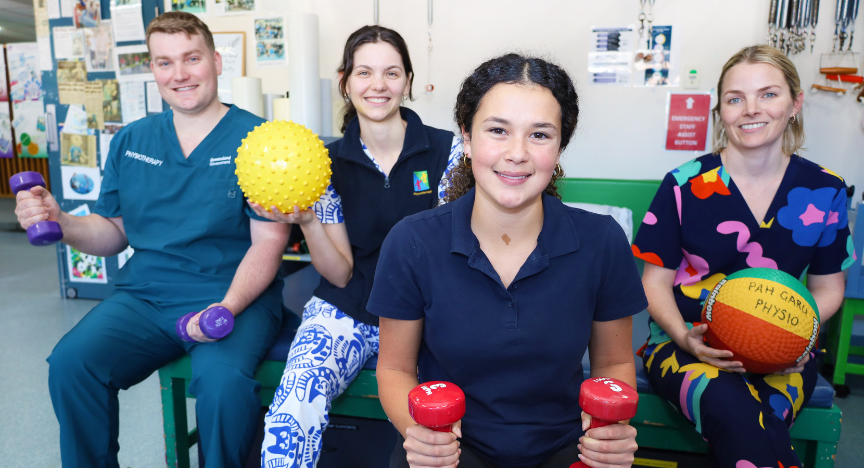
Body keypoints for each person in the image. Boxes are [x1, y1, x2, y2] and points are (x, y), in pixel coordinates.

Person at [14, 12, 289, 468]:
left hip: (234, 296)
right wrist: (61, 219)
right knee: (71, 364)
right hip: (146, 296)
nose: (179, 74)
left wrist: (226, 309)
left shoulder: (260, 140)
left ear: (217, 62)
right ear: (154, 70)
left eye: (191, 58)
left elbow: (268, 243)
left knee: (223, 389)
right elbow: (113, 231)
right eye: (164, 63)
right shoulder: (131, 140)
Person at [368, 53, 645, 468]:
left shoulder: (602, 241)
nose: (517, 153)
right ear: (466, 137)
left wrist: (609, 434)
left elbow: (615, 362)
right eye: (498, 130)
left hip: (566, 446)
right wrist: (421, 436)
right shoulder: (412, 242)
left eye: (539, 135)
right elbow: (393, 368)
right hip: (450, 449)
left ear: (560, 146)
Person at [632, 45, 851, 468]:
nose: (751, 109)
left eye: (768, 94)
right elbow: (654, 282)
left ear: (795, 103)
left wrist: (798, 335)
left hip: (785, 350)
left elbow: (828, 288)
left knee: (762, 418)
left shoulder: (826, 189)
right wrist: (683, 337)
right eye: (735, 99)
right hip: (687, 344)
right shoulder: (682, 185)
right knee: (737, 415)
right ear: (721, 111)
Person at [254, 25, 462, 468]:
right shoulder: (322, 165)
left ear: (407, 79)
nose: (378, 85)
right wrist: (307, 219)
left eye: (391, 72)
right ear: (345, 81)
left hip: (428, 312)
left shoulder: (449, 152)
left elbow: (457, 249)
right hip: (349, 309)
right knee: (291, 413)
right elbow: (340, 273)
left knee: (454, 422)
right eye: (364, 72)